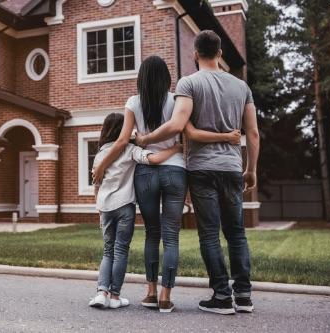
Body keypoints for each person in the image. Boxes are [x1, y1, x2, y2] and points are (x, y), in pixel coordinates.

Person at [92, 56, 241, 313]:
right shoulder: (177, 100)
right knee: (171, 236)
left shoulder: (133, 102)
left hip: (146, 173)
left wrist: (103, 165)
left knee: (152, 233)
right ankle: (165, 297)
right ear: (166, 78)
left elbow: (121, 142)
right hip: (175, 170)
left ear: (141, 78)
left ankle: (149, 293)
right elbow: (188, 133)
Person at [135, 30, 260, 315]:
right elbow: (252, 132)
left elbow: (178, 125)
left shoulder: (189, 83)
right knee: (237, 233)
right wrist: (251, 168)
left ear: (194, 54)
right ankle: (243, 295)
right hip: (231, 168)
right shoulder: (242, 87)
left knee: (209, 235)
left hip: (202, 169)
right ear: (220, 54)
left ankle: (221, 296)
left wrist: (145, 139)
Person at [89, 112, 182, 309]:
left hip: (105, 207)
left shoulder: (99, 155)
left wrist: (98, 208)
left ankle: (101, 293)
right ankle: (114, 297)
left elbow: (96, 186)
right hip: (125, 207)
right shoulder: (130, 150)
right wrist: (175, 148)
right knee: (120, 250)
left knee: (108, 250)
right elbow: (155, 159)